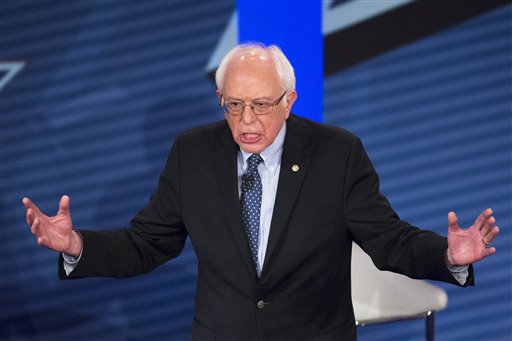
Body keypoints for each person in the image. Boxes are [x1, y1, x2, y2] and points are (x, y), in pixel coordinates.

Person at [23, 43, 500, 340]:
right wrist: (77, 246)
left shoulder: (336, 154)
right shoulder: (194, 154)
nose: (246, 120)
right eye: (233, 105)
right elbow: (147, 243)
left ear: (289, 100)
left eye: (260, 104)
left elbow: (389, 240)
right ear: (220, 101)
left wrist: (449, 256)